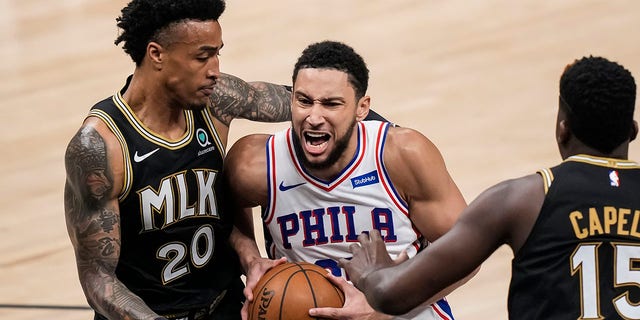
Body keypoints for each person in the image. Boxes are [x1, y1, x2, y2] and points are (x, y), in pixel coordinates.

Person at [63, 1, 395, 319]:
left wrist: (393, 138)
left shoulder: (216, 99)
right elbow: (98, 280)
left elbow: (314, 105)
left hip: (227, 304)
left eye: (217, 54)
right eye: (201, 57)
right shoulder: (99, 148)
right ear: (156, 54)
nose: (215, 71)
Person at [340, 56, 640, 319]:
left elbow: (391, 296)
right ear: (633, 131)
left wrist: (372, 272)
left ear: (562, 129)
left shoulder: (520, 199)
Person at [224, 40, 470, 320]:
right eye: (304, 101)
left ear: (361, 108)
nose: (314, 117)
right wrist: (251, 260)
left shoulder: (401, 154)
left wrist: (381, 310)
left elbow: (466, 254)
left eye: (331, 104)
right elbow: (226, 215)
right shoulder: (255, 163)